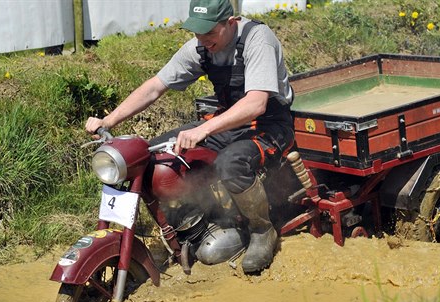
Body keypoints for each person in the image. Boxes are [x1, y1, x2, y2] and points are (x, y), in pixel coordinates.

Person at [85, 0, 294, 274]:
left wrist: (203, 129)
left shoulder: (257, 39)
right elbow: (155, 86)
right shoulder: (200, 47)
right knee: (156, 156)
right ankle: (189, 222)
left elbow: (256, 104)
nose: (204, 40)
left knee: (231, 164)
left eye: (210, 33)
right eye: (198, 33)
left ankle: (262, 230)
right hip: (228, 120)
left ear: (230, 22)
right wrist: (109, 119)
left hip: (269, 125)